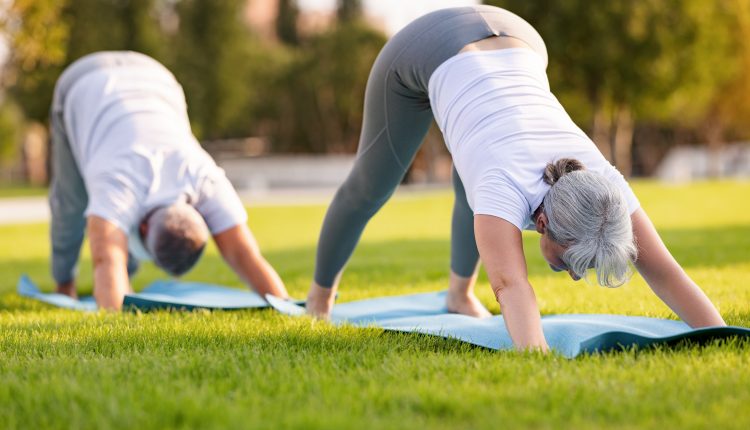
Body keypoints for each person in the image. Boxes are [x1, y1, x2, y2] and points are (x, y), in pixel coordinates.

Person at [305, 5, 726, 350]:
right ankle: (318, 303)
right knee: (370, 187)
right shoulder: (502, 184)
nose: (576, 276)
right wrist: (539, 358)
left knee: (474, 169)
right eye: (569, 261)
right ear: (542, 223)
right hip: (425, 47)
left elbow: (666, 271)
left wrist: (722, 336)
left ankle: (459, 295)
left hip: (520, 38)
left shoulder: (605, 188)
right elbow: (510, 285)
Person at [49, 51, 288, 310]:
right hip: (83, 83)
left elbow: (244, 255)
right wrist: (115, 331)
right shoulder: (118, 184)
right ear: (143, 229)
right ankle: (64, 285)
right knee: (71, 204)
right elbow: (106, 258)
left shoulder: (206, 180)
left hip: (157, 77)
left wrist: (286, 306)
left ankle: (121, 282)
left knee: (111, 230)